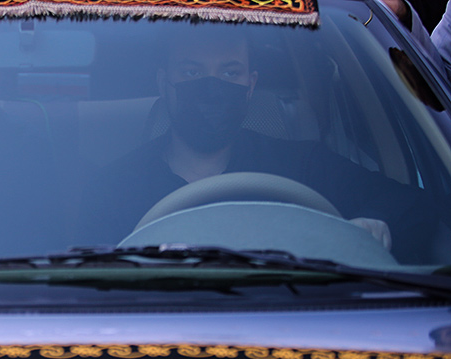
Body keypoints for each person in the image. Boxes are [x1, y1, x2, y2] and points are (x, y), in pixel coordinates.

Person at [78, 25, 438, 262]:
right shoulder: (113, 189)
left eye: (229, 72)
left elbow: (416, 204)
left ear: (250, 86)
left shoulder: (303, 166)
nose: (212, 86)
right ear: (163, 82)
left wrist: (376, 224)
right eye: (192, 72)